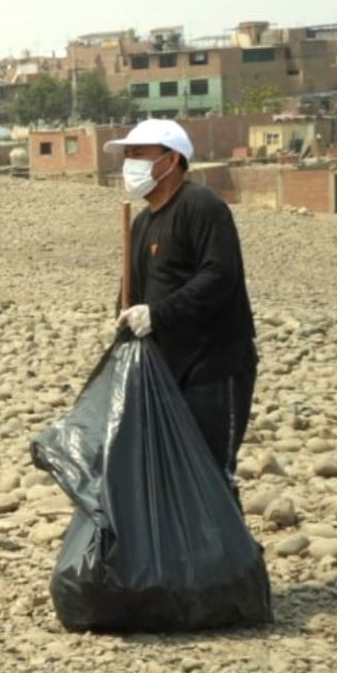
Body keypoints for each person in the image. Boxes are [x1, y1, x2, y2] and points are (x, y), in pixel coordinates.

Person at [108, 119, 258, 495]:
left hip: (212, 367)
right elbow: (133, 289)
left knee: (210, 472)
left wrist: (158, 314)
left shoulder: (201, 206)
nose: (131, 164)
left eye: (139, 155)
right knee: (171, 476)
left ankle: (233, 554)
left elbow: (219, 276)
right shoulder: (142, 223)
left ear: (172, 160)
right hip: (166, 372)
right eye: (127, 156)